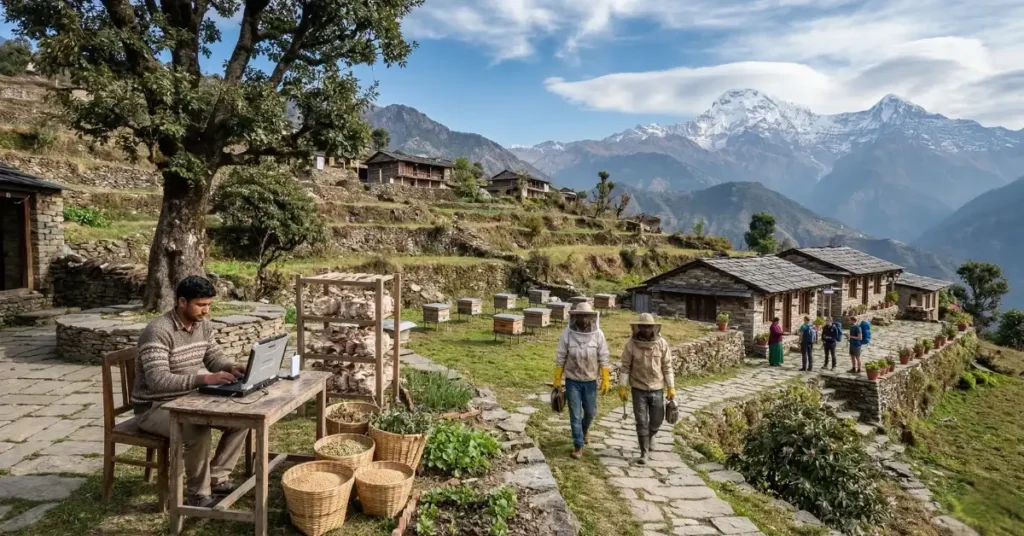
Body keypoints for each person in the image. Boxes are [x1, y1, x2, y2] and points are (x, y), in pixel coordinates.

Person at [131, 276, 249, 508]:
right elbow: (158, 381)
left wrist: (231, 367)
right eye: (201, 305)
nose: (206, 311)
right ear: (181, 302)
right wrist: (204, 379)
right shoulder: (157, 331)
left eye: (209, 305)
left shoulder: (202, 325)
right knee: (196, 429)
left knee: (241, 419)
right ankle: (198, 494)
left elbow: (213, 357)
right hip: (153, 407)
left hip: (188, 399)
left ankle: (216, 476)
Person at [554, 302, 610, 459]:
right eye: (580, 315)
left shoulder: (598, 334)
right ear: (575, 316)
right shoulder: (567, 333)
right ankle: (578, 445)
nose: (583, 318)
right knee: (575, 414)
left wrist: (605, 377)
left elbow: (604, 356)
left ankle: (585, 429)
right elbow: (560, 356)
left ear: (591, 317)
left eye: (586, 315)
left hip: (590, 380)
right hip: (572, 380)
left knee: (591, 412)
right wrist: (557, 378)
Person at [617, 313, 675, 465]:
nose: (645, 329)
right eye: (642, 326)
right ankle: (644, 452)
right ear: (638, 327)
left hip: (657, 387)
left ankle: (651, 435)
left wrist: (671, 387)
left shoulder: (661, 343)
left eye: (648, 326)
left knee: (657, 420)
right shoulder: (630, 344)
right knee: (641, 421)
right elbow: (625, 367)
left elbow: (667, 367)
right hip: (638, 387)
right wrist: (622, 386)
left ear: (654, 327)